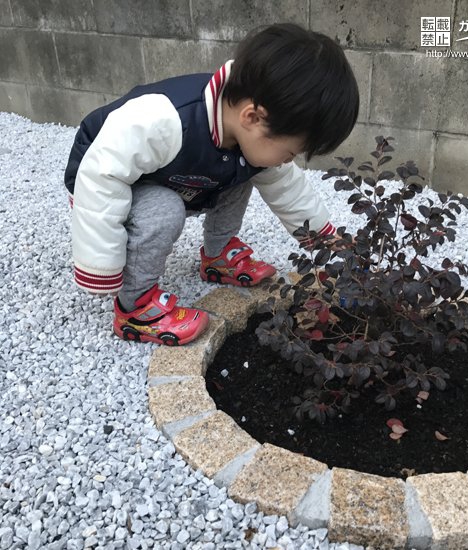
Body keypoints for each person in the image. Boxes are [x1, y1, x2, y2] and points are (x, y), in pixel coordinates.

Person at [64, 22, 359, 346]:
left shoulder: (248, 136)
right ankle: (134, 307)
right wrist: (100, 266)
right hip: (107, 177)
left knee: (252, 167)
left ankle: (217, 256)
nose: (289, 160)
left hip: (176, 175)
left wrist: (323, 238)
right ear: (252, 117)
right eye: (291, 151)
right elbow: (102, 177)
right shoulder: (164, 120)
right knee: (163, 211)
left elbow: (287, 188)